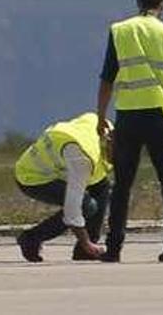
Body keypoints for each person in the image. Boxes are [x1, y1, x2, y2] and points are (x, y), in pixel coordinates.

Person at [96, 0, 163, 262]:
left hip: (128, 115)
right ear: (162, 4)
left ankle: (114, 248)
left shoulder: (120, 31)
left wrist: (101, 117)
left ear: (138, 2)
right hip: (161, 117)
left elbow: (106, 79)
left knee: (122, 184)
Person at [14, 112, 111, 262]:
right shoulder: (83, 158)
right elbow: (73, 209)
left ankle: (85, 250)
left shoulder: (100, 123)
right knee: (87, 206)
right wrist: (86, 243)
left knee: (102, 187)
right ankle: (31, 238)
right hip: (32, 177)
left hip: (61, 165)